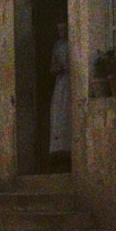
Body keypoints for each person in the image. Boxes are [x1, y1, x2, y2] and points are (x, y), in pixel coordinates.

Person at [47, 17, 71, 163]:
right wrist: (57, 68)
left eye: (64, 29)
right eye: (59, 30)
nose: (62, 33)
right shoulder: (57, 46)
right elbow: (52, 66)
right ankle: (59, 150)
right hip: (61, 83)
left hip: (70, 81)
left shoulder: (71, 44)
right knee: (59, 113)